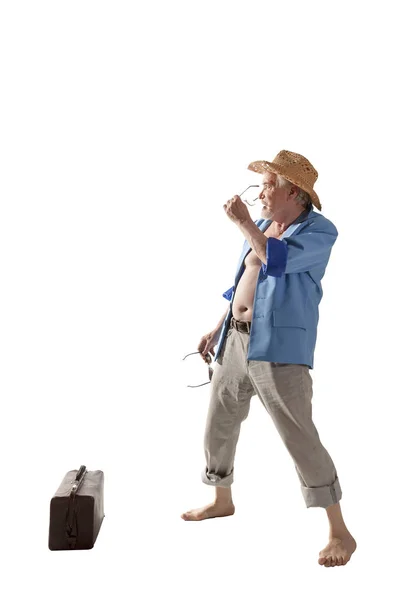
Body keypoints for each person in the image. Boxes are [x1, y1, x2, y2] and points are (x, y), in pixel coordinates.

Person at [181, 150, 357, 568]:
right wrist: (218, 324)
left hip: (278, 348)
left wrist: (242, 222)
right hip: (235, 341)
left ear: (293, 192)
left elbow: (277, 262)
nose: (260, 193)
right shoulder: (264, 224)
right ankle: (221, 499)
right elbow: (245, 280)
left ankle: (340, 531)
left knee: (299, 435)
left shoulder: (319, 231)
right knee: (219, 423)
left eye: (268, 185)